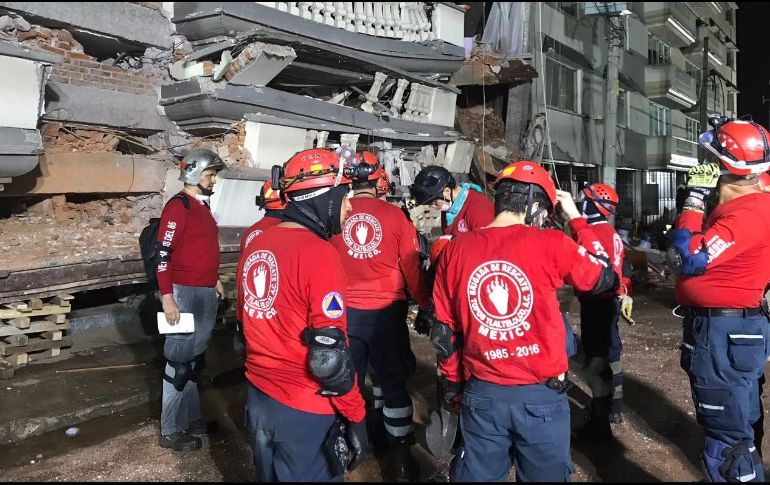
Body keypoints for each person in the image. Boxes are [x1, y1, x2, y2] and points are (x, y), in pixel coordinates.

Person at [431, 161, 619, 481]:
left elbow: (444, 331)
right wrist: (575, 218)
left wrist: (453, 385)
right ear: (534, 205)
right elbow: (604, 278)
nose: (545, 218)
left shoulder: (456, 249)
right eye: (545, 212)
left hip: (482, 394)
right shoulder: (552, 244)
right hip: (540, 399)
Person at [239, 147, 368, 481]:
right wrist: (356, 414)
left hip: (259, 398)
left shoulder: (257, 245)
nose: (350, 207)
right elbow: (330, 357)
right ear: (326, 197)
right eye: (346, 195)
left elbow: (246, 325)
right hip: (304, 407)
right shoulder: (319, 254)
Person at [667, 116, 770, 482]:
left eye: (708, 159)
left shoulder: (748, 213)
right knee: (740, 424)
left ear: (723, 169)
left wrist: (693, 199)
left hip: (724, 332)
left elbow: (687, 258)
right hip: (730, 330)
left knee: (726, 439)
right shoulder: (751, 200)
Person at [330, 151, 430, 481]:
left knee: (352, 382)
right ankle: (401, 458)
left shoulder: (337, 215)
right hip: (386, 314)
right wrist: (425, 303)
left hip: (346, 313)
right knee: (392, 384)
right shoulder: (395, 217)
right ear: (377, 180)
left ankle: (354, 445)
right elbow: (412, 267)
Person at [156, 148, 227, 452]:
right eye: (211, 174)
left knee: (195, 362)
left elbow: (202, 249)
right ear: (195, 174)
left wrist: (215, 279)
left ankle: (191, 418)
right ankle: (171, 429)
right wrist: (168, 298)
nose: (214, 180)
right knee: (179, 364)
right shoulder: (179, 207)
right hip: (182, 292)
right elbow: (162, 255)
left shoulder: (201, 207)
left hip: (203, 290)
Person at [572, 182, 633, 439]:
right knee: (611, 351)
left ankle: (600, 419)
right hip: (610, 301)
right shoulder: (611, 233)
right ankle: (614, 408)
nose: (578, 203)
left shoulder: (594, 233)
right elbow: (622, 270)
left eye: (583, 199)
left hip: (597, 301)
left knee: (596, 360)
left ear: (591, 204)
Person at [234, 179, 286, 362]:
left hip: (248, 313)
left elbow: (242, 276)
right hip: (277, 323)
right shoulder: (288, 233)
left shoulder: (251, 233)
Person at [409, 165, 494, 237]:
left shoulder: (479, 209)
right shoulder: (449, 206)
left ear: (447, 191)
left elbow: (486, 245)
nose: (433, 206)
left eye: (434, 202)